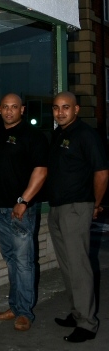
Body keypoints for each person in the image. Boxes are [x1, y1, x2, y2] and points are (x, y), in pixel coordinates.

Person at [47, 91, 109, 343]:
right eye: (56, 108)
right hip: (57, 208)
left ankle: (87, 323)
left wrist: (95, 204)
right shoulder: (60, 133)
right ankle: (77, 312)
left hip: (77, 207)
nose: (60, 112)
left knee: (80, 266)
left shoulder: (86, 134)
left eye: (65, 107)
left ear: (76, 109)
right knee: (67, 265)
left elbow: (102, 172)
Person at [0, 93, 48, 331]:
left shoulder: (33, 136)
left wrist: (23, 201)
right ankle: (15, 305)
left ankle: (24, 312)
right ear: (0, 109)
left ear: (22, 109)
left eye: (14, 107)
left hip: (21, 210)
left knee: (23, 262)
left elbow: (41, 172)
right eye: (5, 107)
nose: (9, 111)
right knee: (11, 260)